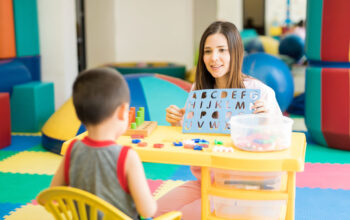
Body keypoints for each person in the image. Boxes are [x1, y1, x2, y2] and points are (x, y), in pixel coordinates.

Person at [158, 21, 282, 220]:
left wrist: (268, 122)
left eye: (222, 50)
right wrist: (179, 121)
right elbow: (195, 136)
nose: (213, 58)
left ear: (236, 52)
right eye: (207, 51)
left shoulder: (260, 93)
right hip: (207, 180)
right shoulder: (199, 89)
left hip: (243, 188)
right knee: (150, 212)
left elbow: (281, 145)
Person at [48, 68, 157, 220]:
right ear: (122, 111)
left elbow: (54, 196)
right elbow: (147, 211)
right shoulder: (126, 157)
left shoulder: (72, 150)